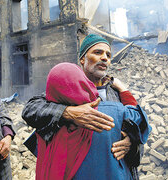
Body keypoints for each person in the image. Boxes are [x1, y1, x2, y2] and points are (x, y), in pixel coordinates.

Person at [22, 34, 150, 179]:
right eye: (97, 52)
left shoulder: (116, 94)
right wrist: (67, 112)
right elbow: (30, 110)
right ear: (82, 59)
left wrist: (131, 143)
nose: (104, 58)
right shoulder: (66, 88)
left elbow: (139, 126)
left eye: (108, 55)